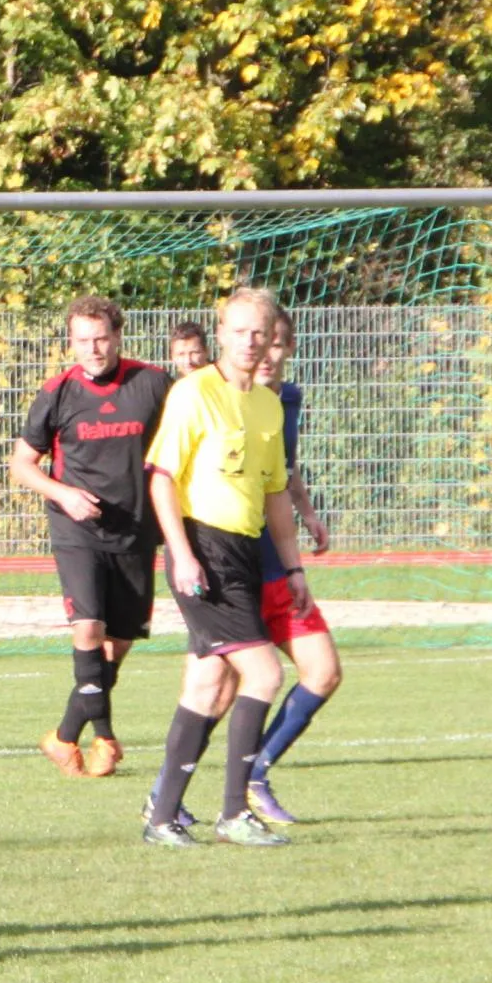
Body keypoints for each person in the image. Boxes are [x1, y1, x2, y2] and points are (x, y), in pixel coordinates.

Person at [139, 288, 312, 848]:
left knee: (209, 684)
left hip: (243, 552)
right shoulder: (194, 393)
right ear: (221, 334)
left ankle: (162, 816)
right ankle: (235, 811)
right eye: (239, 331)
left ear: (271, 336)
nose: (250, 342)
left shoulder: (266, 404)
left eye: (259, 332)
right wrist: (182, 553)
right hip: (202, 548)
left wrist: (294, 569)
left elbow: (276, 494)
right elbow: (162, 479)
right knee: (264, 674)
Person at [11, 295, 171, 778]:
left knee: (117, 645)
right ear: (71, 341)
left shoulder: (153, 383)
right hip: (77, 530)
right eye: (83, 340)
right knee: (88, 629)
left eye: (101, 339)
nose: (93, 349)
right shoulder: (58, 393)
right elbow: (22, 464)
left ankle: (64, 738)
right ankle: (104, 737)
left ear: (117, 336)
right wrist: (63, 494)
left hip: (136, 532)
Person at [242, 307, 342, 824]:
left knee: (323, 671)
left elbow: (286, 469)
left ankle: (254, 774)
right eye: (258, 340)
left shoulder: (288, 400)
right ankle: (167, 798)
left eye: (276, 343)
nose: (265, 353)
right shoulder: (224, 400)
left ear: (288, 348)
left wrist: (307, 513)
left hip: (278, 566)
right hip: (232, 566)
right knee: (215, 691)